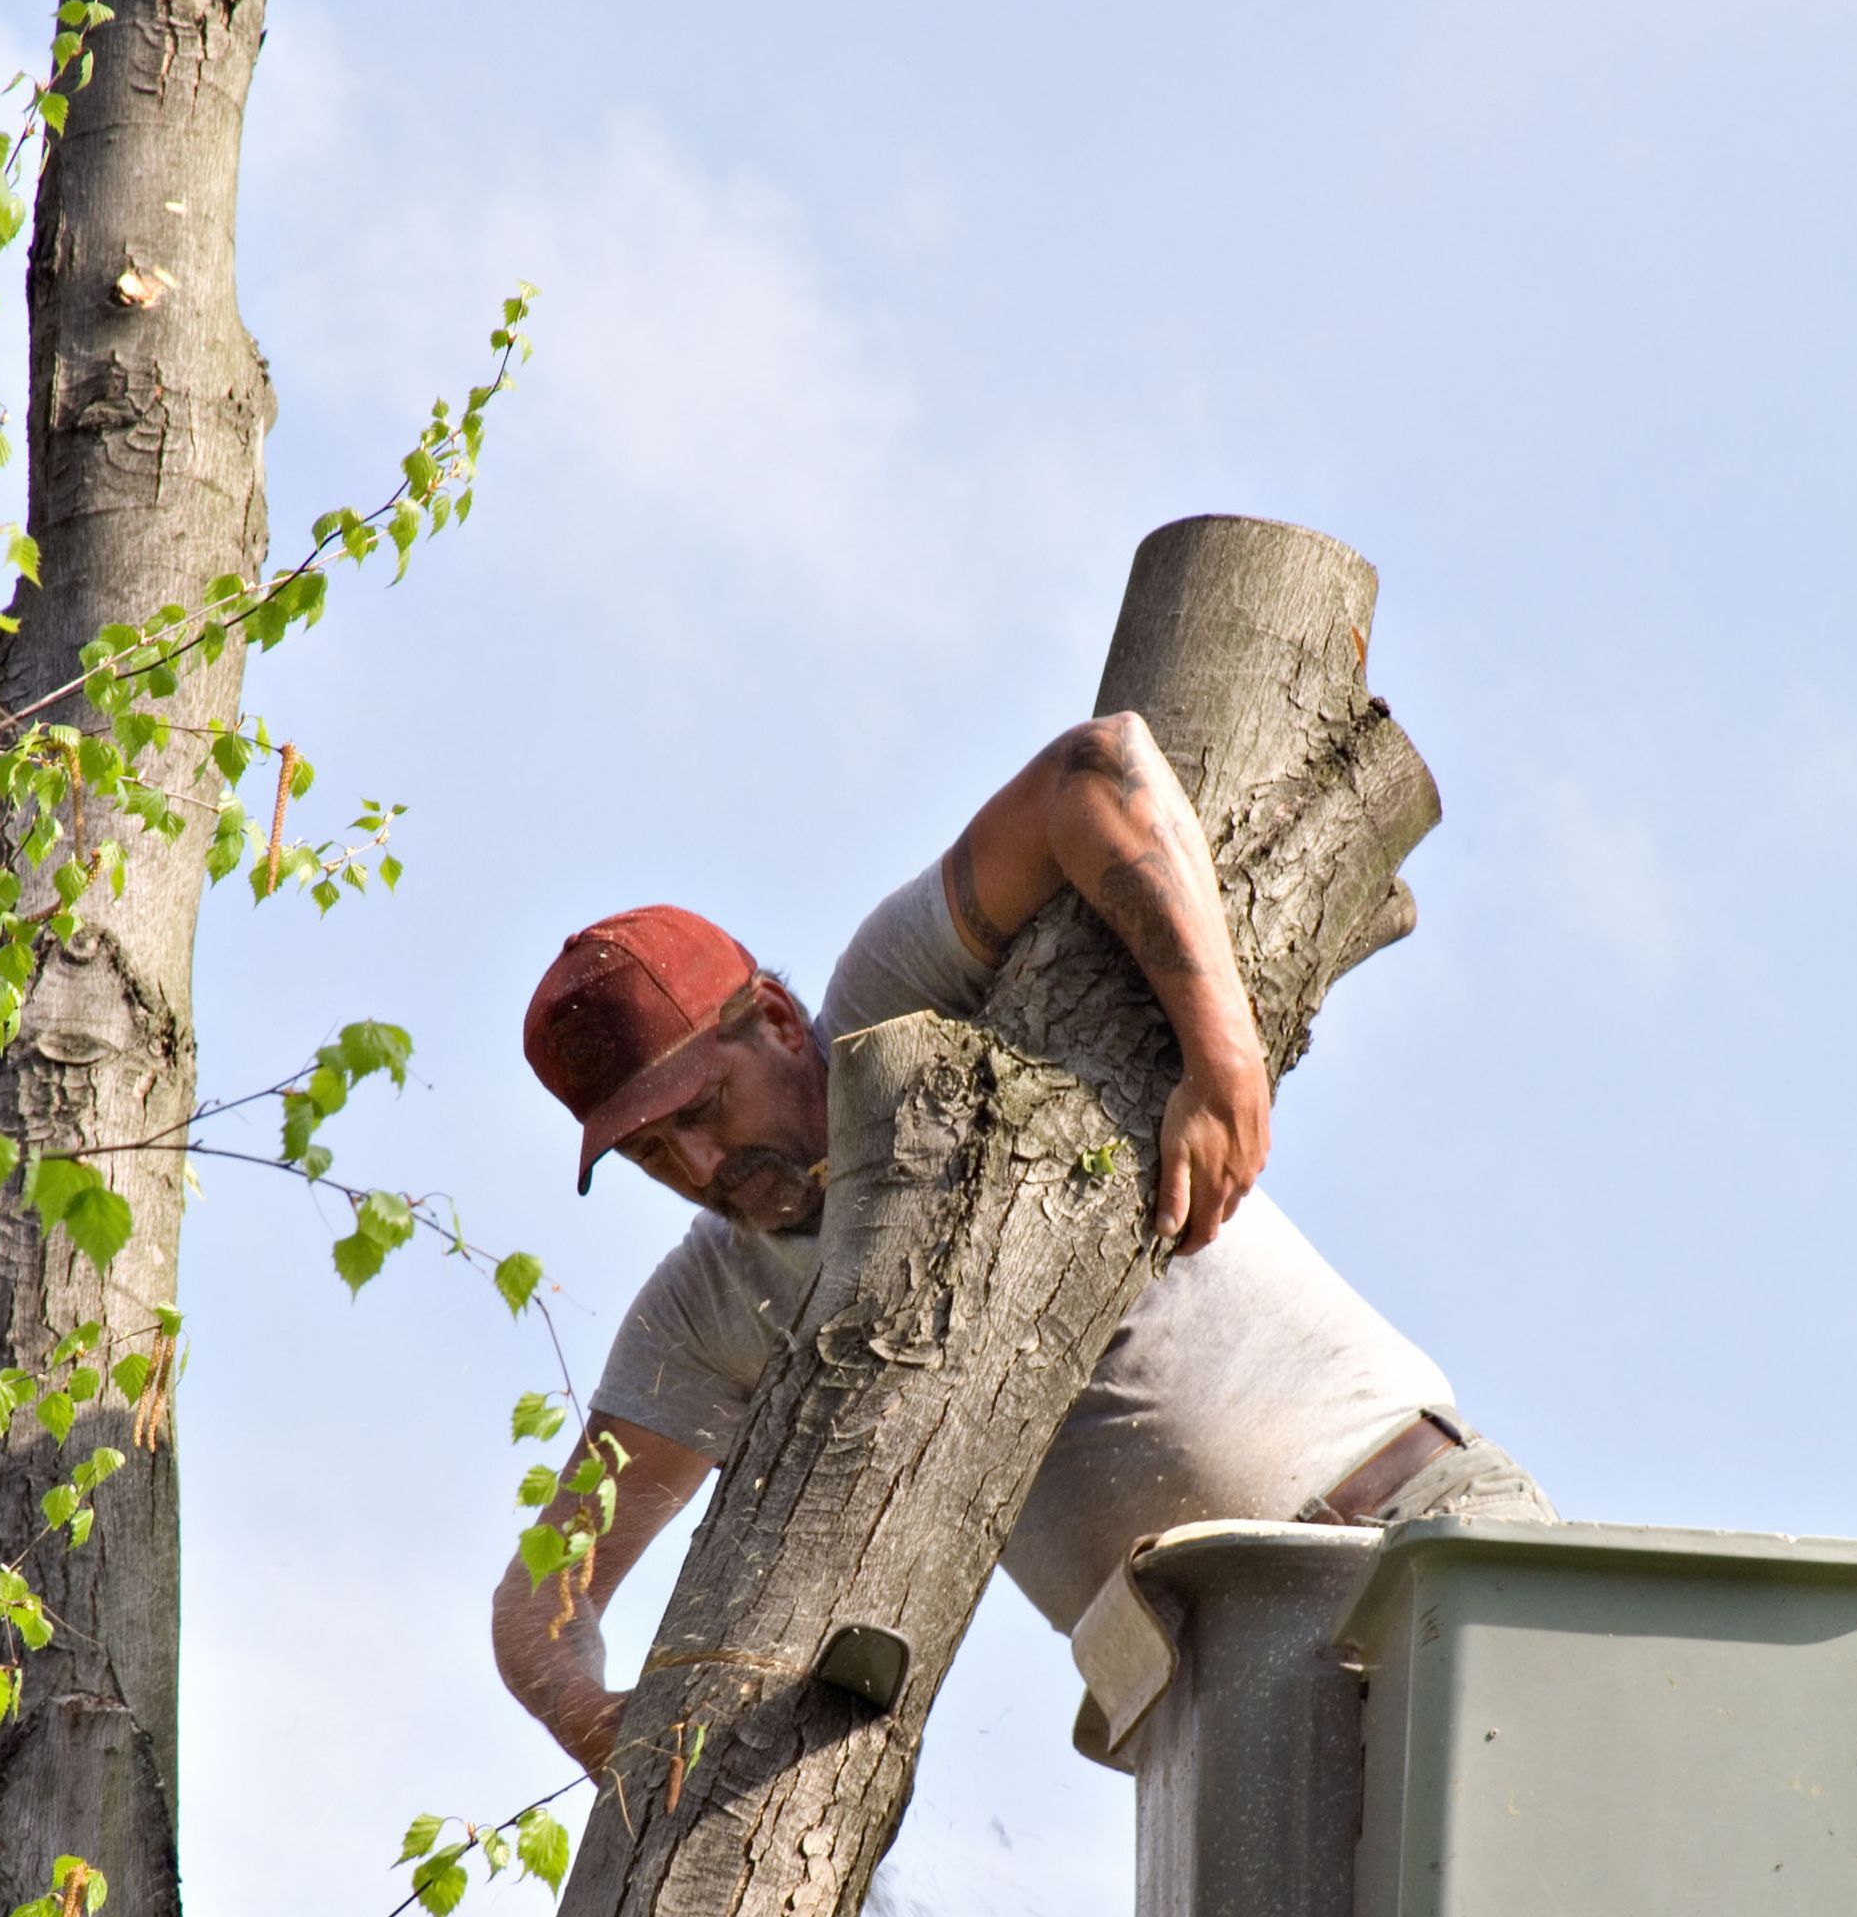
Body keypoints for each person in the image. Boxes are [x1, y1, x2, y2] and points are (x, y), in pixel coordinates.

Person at [493, 712, 1551, 1775]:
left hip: (1410, 1531)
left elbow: (1098, 767)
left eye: (704, 1107)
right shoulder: (713, 1306)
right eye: (649, 1153)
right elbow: (541, 1599)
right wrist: (600, 1724)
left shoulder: (893, 1003)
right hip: (1211, 1705)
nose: (697, 1163)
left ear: (769, 1017)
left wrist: (1223, 1057)